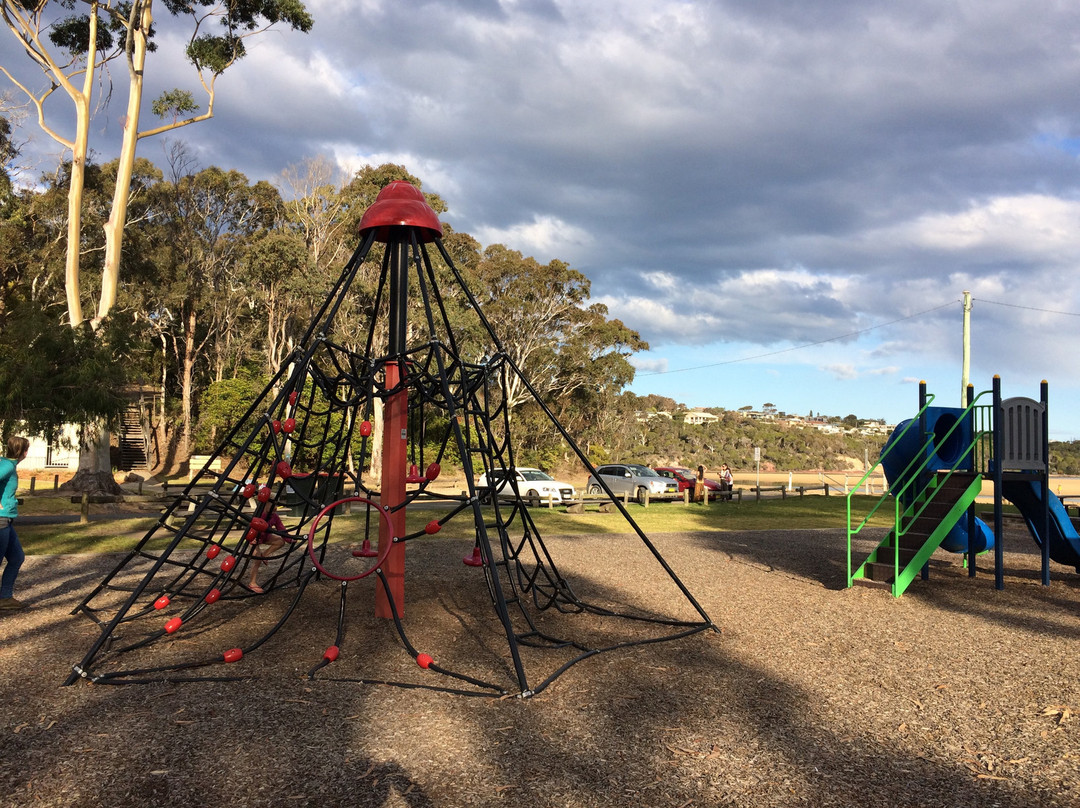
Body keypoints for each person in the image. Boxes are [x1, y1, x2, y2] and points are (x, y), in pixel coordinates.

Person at [0, 436, 30, 611]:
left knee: (17, 557)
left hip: (7, 520)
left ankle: (5, 597)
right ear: (23, 451)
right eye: (27, 449)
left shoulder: (6, 463)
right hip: (1, 519)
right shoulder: (8, 466)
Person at [247, 505, 287, 594]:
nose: (275, 508)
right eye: (272, 505)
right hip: (254, 539)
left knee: (280, 541)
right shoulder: (259, 515)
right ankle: (252, 583)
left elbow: (281, 528)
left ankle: (264, 555)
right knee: (257, 559)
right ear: (265, 504)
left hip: (265, 536)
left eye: (276, 505)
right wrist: (250, 537)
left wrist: (289, 539)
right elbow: (249, 526)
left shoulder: (275, 516)